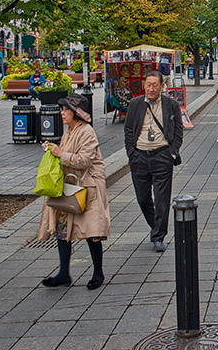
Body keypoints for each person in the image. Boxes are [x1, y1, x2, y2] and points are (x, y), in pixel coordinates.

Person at [38, 93, 110, 290]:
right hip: (73, 186)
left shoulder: (86, 131)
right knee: (63, 229)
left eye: (66, 109)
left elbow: (84, 160)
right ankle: (63, 273)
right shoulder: (69, 130)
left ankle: (98, 272)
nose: (62, 113)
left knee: (90, 231)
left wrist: (60, 154)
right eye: (62, 109)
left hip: (88, 187)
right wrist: (54, 150)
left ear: (76, 113)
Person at [124, 71, 184, 252]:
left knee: (162, 200)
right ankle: (155, 225)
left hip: (162, 156)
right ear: (144, 85)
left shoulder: (171, 104)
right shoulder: (135, 104)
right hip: (140, 156)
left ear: (161, 86)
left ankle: (158, 236)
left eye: (154, 85)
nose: (151, 89)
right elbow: (128, 130)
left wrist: (172, 152)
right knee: (143, 199)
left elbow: (179, 130)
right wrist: (131, 153)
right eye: (148, 85)